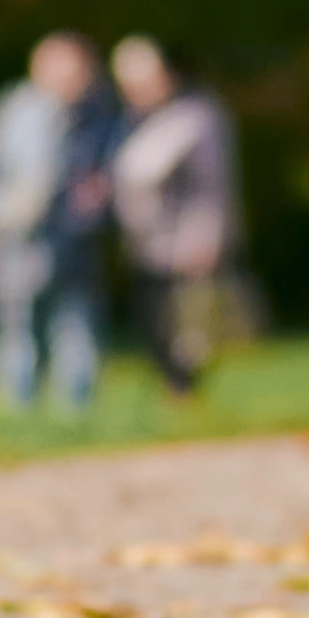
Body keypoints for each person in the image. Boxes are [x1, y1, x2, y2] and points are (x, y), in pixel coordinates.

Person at [0, 31, 117, 409]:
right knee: (17, 333)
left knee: (76, 330)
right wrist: (3, 212)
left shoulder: (99, 115)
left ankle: (77, 413)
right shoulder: (13, 111)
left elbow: (111, 174)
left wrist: (99, 201)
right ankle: (18, 412)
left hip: (75, 245)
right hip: (16, 247)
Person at [105, 34, 243, 399]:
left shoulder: (196, 118)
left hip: (186, 244)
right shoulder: (129, 123)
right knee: (154, 327)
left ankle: (187, 394)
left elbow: (212, 184)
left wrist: (208, 236)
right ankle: (174, 394)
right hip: (145, 245)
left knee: (191, 331)